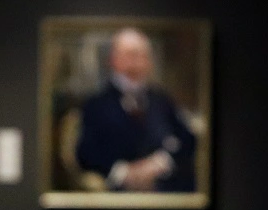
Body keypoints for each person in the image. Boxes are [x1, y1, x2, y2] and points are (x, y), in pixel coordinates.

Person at [73, 27, 199, 192]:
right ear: (114, 59)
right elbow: (86, 152)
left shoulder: (161, 100)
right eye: (131, 55)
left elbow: (187, 139)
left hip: (164, 190)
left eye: (143, 56)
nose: (138, 62)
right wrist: (124, 172)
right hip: (117, 194)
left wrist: (161, 162)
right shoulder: (97, 104)